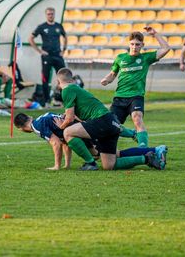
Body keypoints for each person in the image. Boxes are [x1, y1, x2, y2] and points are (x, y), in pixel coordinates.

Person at [57, 68, 166, 171]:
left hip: (101, 120)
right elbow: (74, 115)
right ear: (71, 79)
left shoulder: (67, 89)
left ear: (58, 81)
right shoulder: (76, 88)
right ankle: (150, 156)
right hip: (109, 121)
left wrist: (60, 128)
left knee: (67, 133)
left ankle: (90, 163)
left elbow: (70, 118)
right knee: (109, 165)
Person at [15, 112, 168, 171]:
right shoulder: (43, 118)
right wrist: (67, 165)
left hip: (85, 131)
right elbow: (65, 142)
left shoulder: (37, 126)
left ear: (21, 128)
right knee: (115, 154)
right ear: (29, 116)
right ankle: (155, 150)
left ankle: (149, 156)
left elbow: (55, 143)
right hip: (84, 129)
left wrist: (56, 166)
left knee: (107, 160)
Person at [100, 27, 170, 147]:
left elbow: (166, 49)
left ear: (142, 45)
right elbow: (112, 74)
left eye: (137, 44)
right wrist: (106, 80)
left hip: (136, 96)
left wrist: (155, 34)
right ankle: (132, 134)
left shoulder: (146, 58)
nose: (134, 47)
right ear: (129, 44)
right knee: (112, 125)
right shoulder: (120, 58)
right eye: (132, 44)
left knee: (137, 118)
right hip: (119, 97)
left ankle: (144, 150)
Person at [29, 7, 67, 106]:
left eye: (52, 14)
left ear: (54, 14)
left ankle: (62, 99)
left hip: (58, 55)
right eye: (49, 14)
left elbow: (65, 37)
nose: (50, 15)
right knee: (45, 79)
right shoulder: (42, 27)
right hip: (47, 56)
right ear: (46, 15)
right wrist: (39, 51)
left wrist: (63, 50)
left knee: (64, 77)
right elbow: (31, 38)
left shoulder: (58, 26)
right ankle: (46, 101)